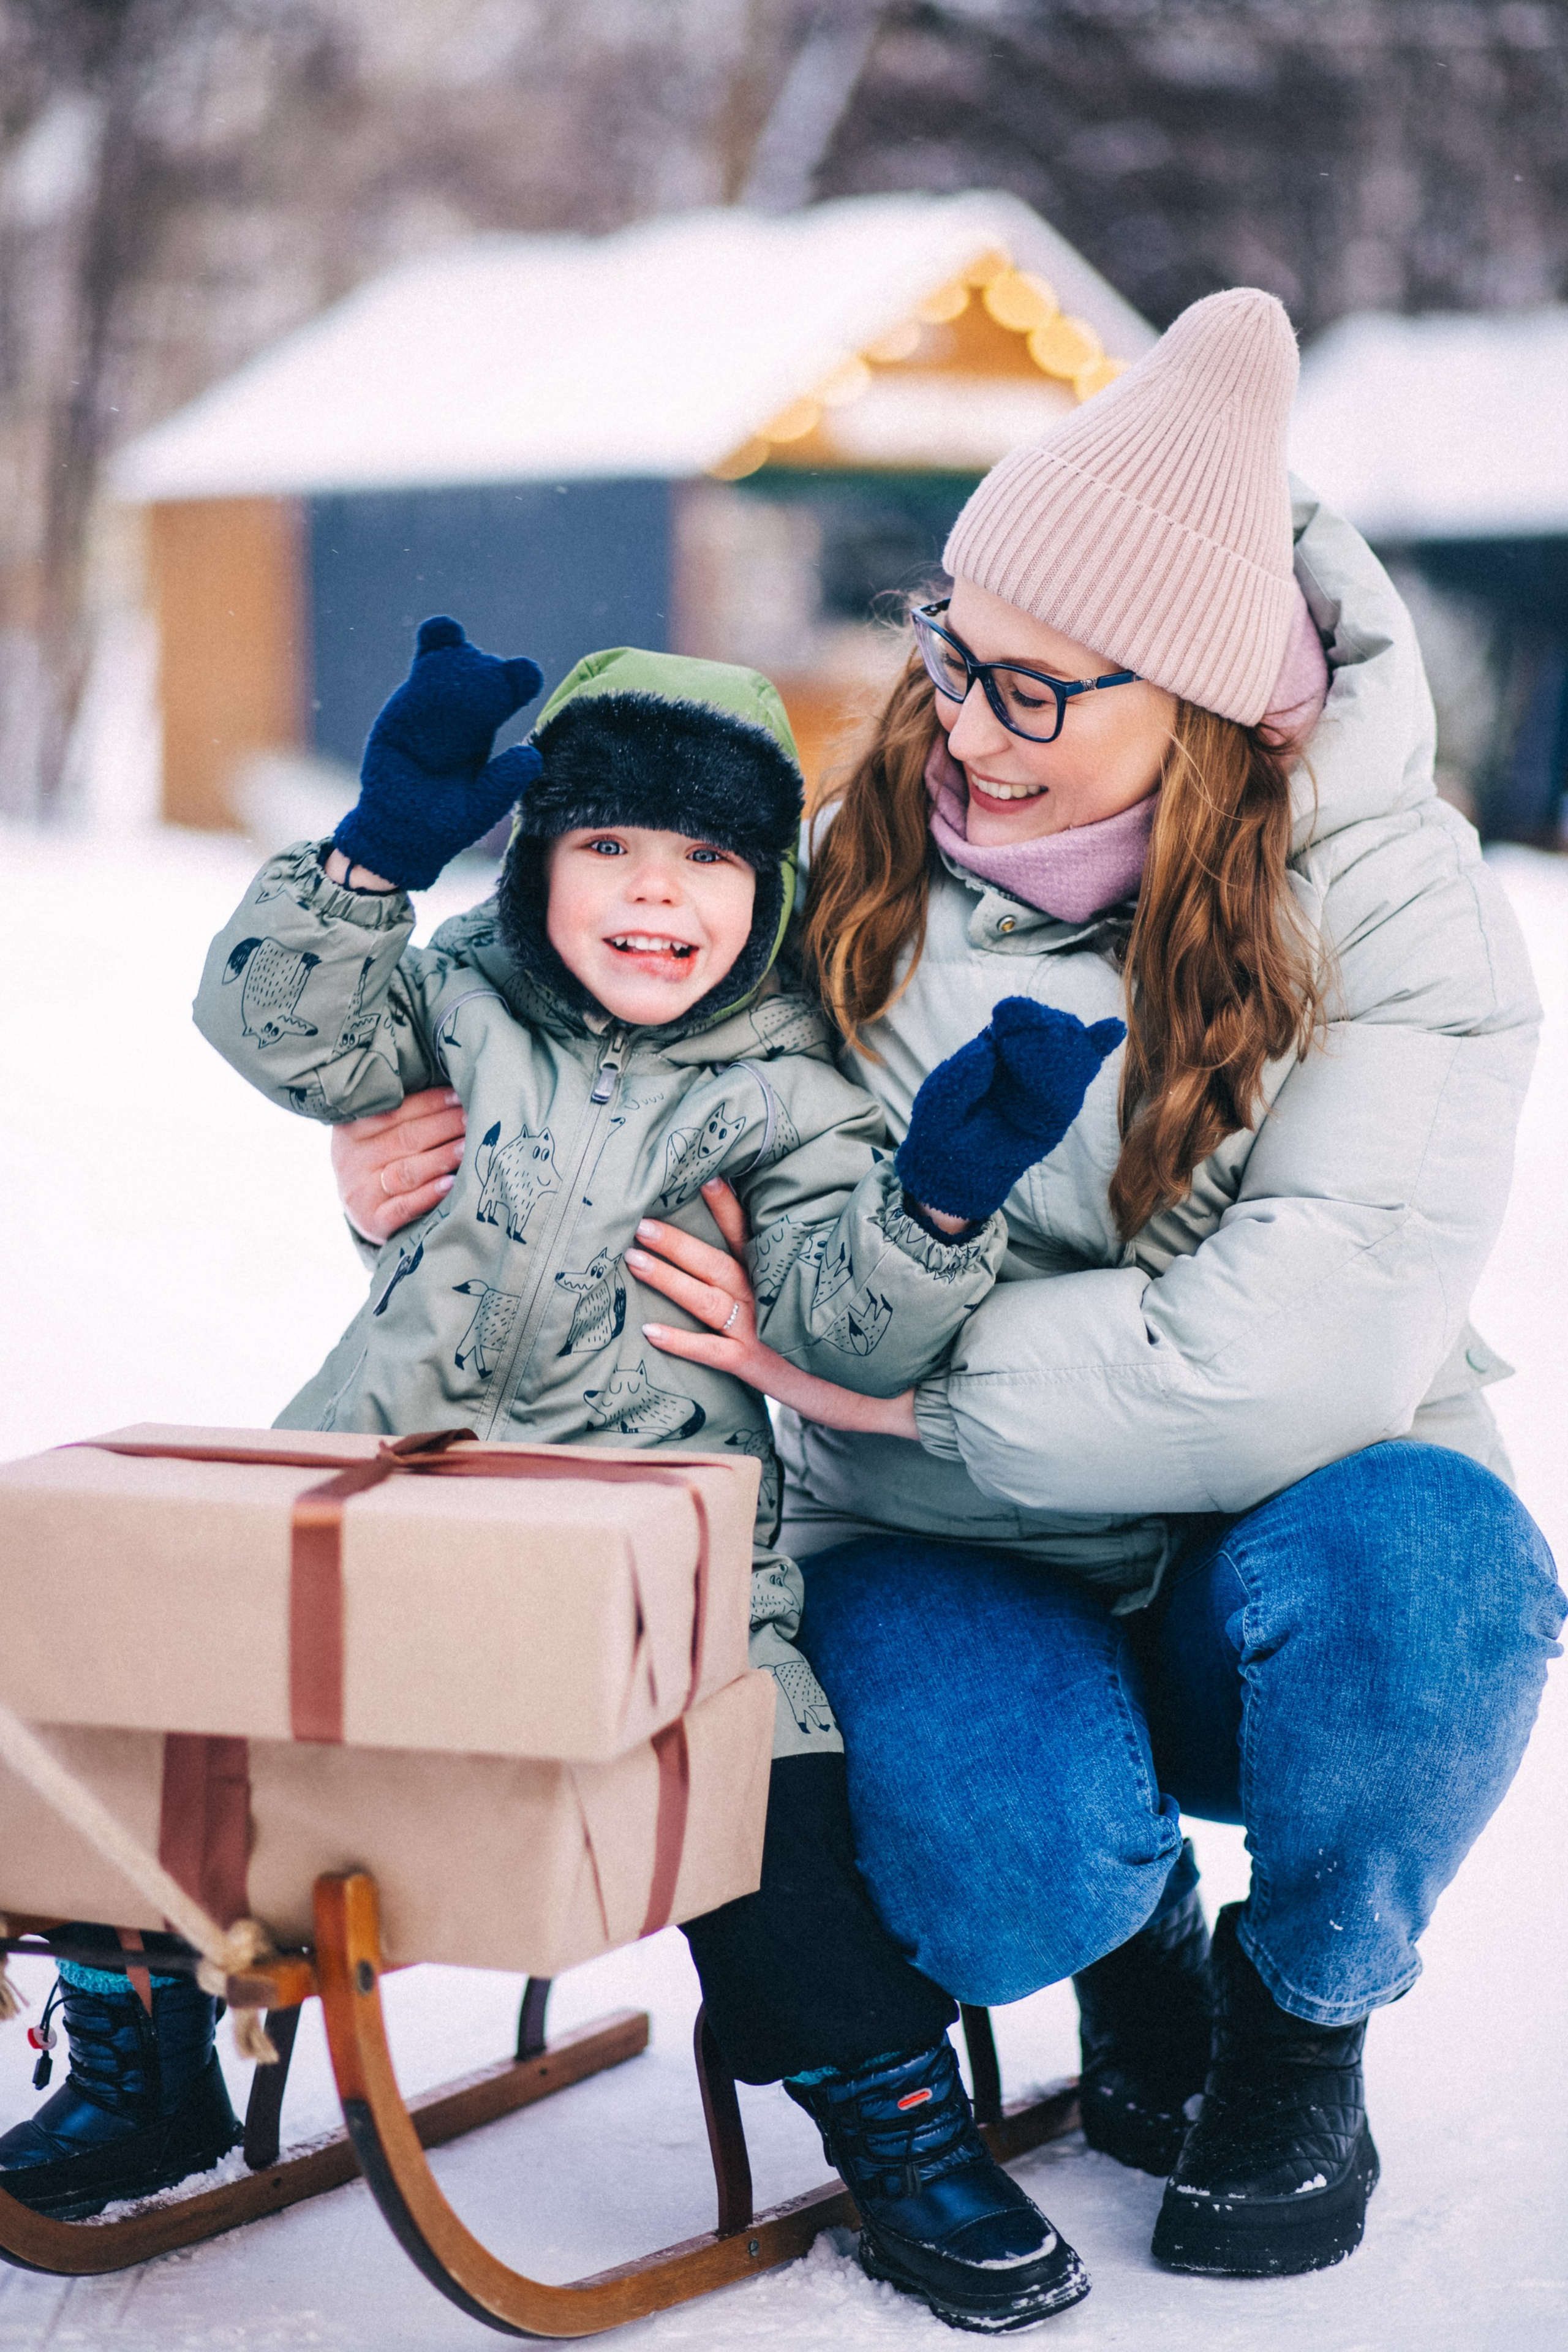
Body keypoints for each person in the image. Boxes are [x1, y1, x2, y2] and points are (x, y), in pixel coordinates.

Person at [334, 288, 1563, 2324]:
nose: (964, 724)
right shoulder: (857, 861)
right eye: (949, 651)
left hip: (1285, 1524)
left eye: (1033, 689)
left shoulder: (1401, 900)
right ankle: (1133, 1925)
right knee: (1004, 1875)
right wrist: (412, 1126)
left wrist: (854, 1368)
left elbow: (1291, 1358)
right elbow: (608, 1039)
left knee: (1446, 1577)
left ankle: (1299, 2014)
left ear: (1206, 703)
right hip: (943, 1547)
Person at [0, 635, 1114, 2296]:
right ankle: (140, 2055)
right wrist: (375, 851)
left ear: (771, 889)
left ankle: (893, 2117)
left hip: (657, 1547)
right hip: (380, 1496)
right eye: (606, 845)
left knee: (759, 1794)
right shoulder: (456, 998)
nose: (655, 893)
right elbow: (274, 1027)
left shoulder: (789, 1092)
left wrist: (941, 1200)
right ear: (532, 861)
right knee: (131, 1679)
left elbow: (849, 1330)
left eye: (707, 859)